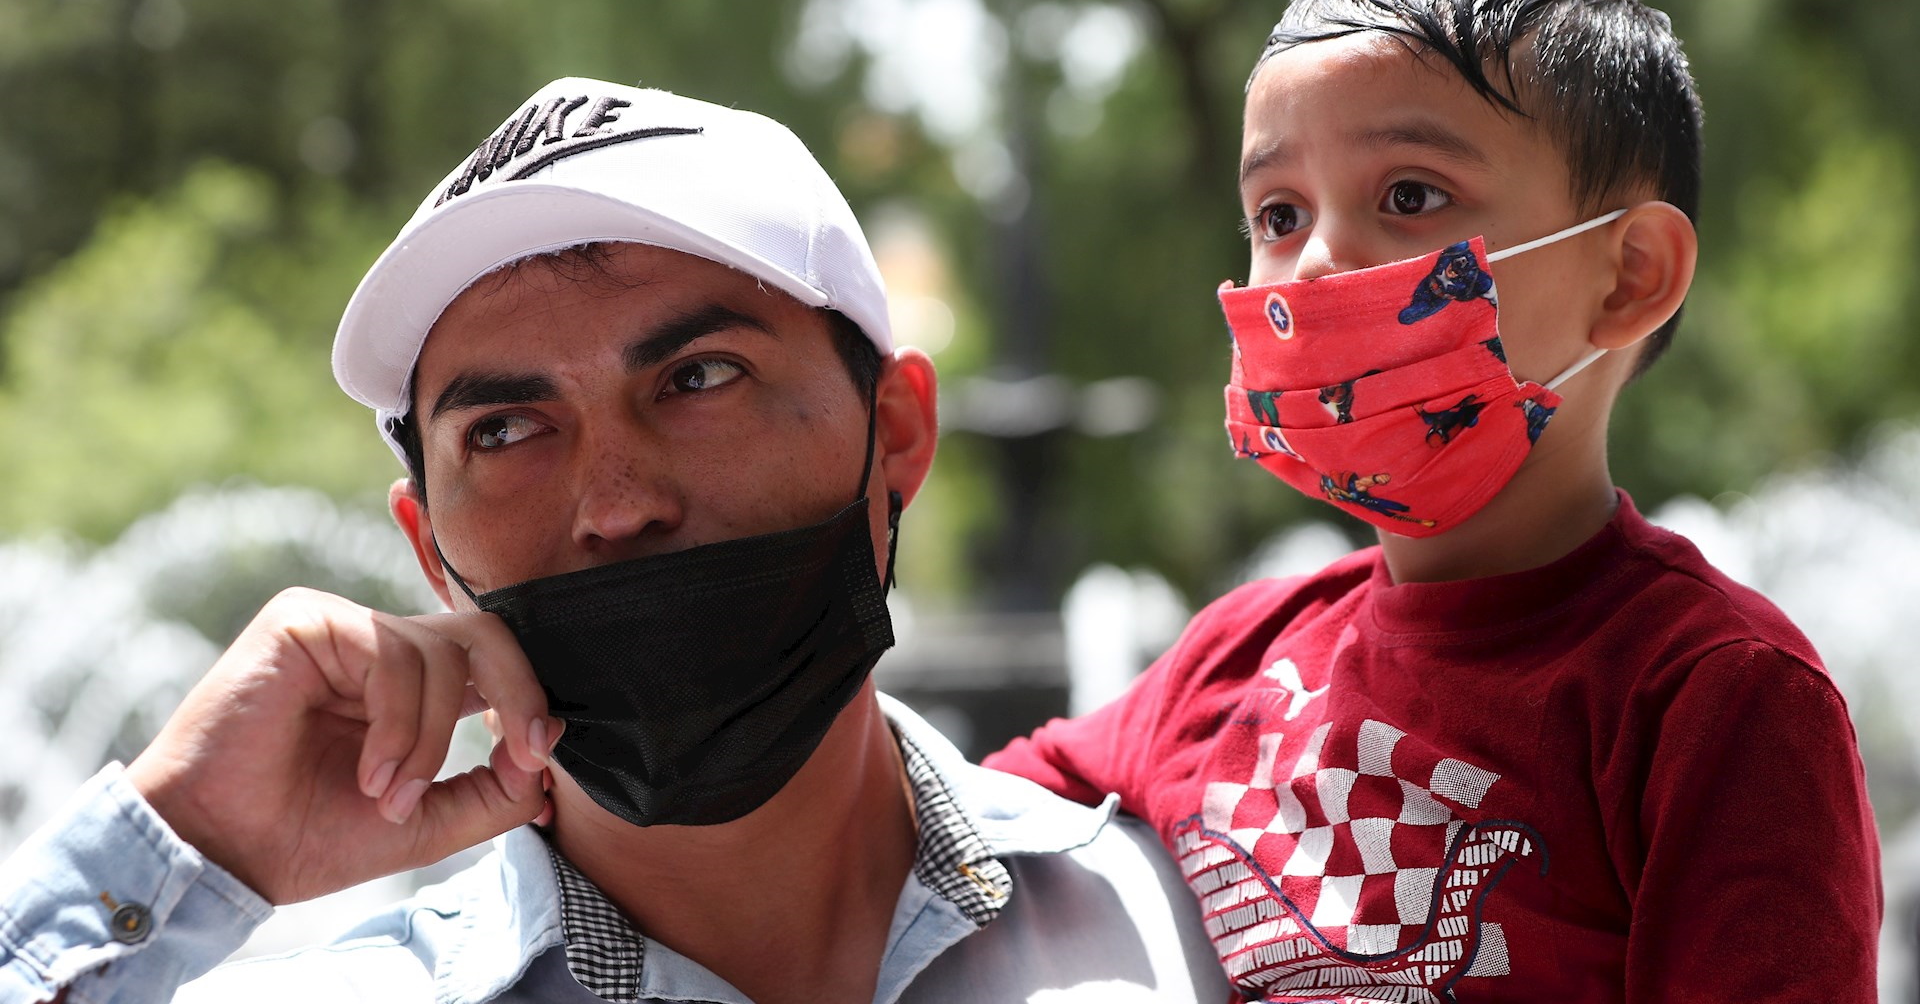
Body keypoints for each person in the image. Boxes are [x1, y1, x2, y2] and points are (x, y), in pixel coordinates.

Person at [0, 78, 1230, 1003]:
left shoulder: (1215, 926)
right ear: (429, 546)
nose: (615, 498)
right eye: (508, 428)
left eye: (700, 376)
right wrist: (180, 847)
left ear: (896, 429)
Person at [985, 0, 1881, 1001]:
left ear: (1629, 277)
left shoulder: (1711, 700)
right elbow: (958, 841)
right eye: (1279, 213)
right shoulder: (1230, 662)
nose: (1315, 262)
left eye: (1409, 195)